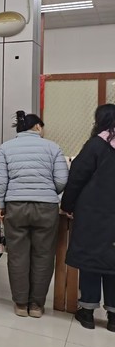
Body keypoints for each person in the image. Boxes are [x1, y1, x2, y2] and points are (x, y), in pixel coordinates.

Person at [0, 111, 69, 318]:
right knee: (44, 255)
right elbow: (62, 179)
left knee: (17, 255)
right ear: (37, 127)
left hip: (15, 206)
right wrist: (48, 191)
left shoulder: (6, 148)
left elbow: (0, 180)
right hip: (46, 207)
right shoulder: (53, 147)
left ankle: (20, 304)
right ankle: (36, 305)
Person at [61, 104, 115, 332]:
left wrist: (67, 205)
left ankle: (87, 312)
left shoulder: (96, 145)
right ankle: (113, 317)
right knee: (113, 262)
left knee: (91, 260)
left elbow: (77, 176)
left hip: (93, 213)